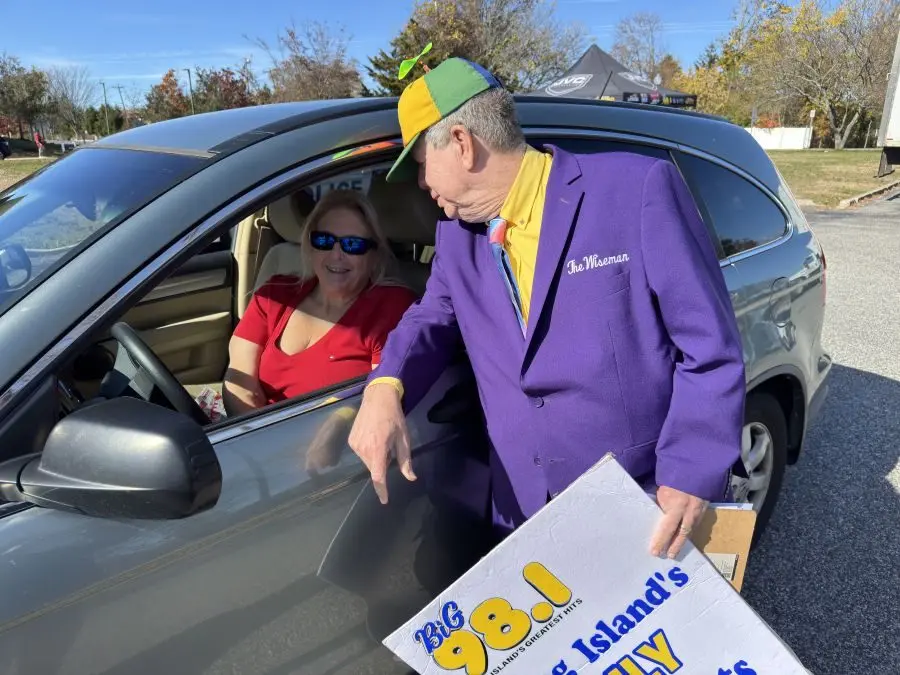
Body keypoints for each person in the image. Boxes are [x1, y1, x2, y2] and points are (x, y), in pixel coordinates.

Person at [347, 57, 746, 560]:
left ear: (463, 144)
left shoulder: (634, 190)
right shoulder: (456, 235)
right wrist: (386, 385)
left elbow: (709, 347)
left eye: (423, 164)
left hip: (643, 503)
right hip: (524, 512)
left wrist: (690, 470)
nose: (423, 184)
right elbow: (431, 316)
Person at [223, 188, 417, 417]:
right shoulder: (274, 294)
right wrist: (260, 433)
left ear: (374, 255)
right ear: (310, 245)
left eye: (353, 245)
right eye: (324, 241)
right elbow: (238, 378)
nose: (336, 254)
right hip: (258, 432)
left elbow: (381, 401)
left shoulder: (391, 307)